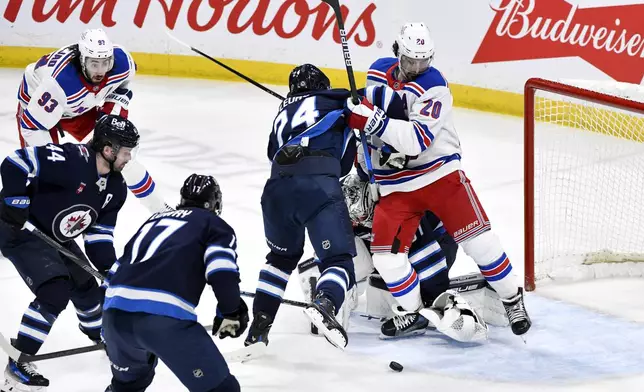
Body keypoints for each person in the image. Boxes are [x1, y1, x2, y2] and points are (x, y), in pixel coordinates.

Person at [346, 22, 531, 336]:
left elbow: (416, 140)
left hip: (440, 176)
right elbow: (366, 128)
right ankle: (412, 311)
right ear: (397, 52)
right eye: (411, 60)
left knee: (480, 242)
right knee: (387, 258)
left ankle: (512, 298)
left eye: (424, 60)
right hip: (396, 187)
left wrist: (372, 119)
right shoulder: (377, 72)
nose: (418, 67)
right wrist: (356, 120)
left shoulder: (435, 85)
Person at [0, 115, 138, 391]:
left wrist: (110, 271)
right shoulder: (70, 159)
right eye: (125, 152)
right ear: (108, 150)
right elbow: (15, 162)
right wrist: (15, 198)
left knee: (88, 289)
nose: (128, 158)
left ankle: (98, 334)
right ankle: (20, 359)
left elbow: (99, 237)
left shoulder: (115, 187)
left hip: (57, 238)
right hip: (20, 231)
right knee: (55, 290)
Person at [298, 173, 493, 343]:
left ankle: (416, 312)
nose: (355, 222)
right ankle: (342, 293)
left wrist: (427, 306)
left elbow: (428, 261)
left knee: (402, 272)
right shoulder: (346, 199)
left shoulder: (400, 210)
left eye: (359, 219)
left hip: (438, 242)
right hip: (394, 238)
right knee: (351, 256)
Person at [244, 64, 357, 350]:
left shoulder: (280, 114)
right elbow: (344, 165)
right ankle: (325, 301)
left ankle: (259, 324)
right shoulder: (338, 100)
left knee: (279, 260)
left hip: (276, 189)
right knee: (338, 260)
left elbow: (273, 153)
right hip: (317, 186)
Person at [102, 174, 247, 392]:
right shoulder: (214, 225)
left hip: (113, 317)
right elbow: (221, 272)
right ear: (215, 203)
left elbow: (114, 271)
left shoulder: (152, 221)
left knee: (127, 387)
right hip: (163, 322)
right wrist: (232, 309)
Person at [15, 28, 169, 213]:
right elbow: (32, 125)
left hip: (78, 106)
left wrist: (107, 122)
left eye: (105, 63)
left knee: (121, 153)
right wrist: (54, 166)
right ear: (82, 61)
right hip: (38, 106)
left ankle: (161, 209)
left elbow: (122, 87)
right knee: (42, 171)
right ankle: (27, 214)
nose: (100, 71)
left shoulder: (122, 63)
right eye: (94, 64)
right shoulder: (60, 82)